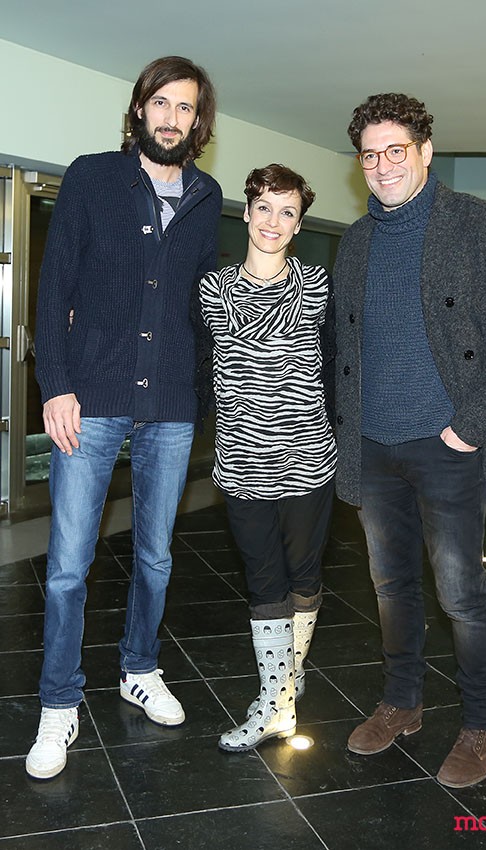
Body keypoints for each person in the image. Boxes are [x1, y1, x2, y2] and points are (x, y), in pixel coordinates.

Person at [334, 93, 486, 788]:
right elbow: (343, 347)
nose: (382, 165)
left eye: (395, 150)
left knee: (460, 593)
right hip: (372, 447)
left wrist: (470, 427)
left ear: (425, 152)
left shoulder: (483, 224)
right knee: (390, 587)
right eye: (369, 154)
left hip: (448, 443)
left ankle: (481, 724)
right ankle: (401, 703)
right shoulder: (356, 240)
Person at [26, 56, 222, 780]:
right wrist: (56, 385)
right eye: (160, 103)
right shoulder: (92, 176)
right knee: (67, 568)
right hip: (92, 400)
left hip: (169, 404)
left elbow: (199, 302)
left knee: (156, 557)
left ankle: (140, 668)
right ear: (139, 110)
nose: (172, 118)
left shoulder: (207, 196)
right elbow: (56, 286)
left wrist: (210, 392)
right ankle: (58, 701)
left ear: (198, 122)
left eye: (185, 107)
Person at [198, 164, 336, 751]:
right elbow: (208, 363)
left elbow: (333, 362)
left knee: (304, 578)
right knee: (264, 583)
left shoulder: (320, 286)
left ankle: (286, 684)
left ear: (298, 224)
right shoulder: (212, 290)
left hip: (309, 460)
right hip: (242, 465)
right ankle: (277, 703)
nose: (273, 222)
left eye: (287, 212)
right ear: (247, 212)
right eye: (264, 208)